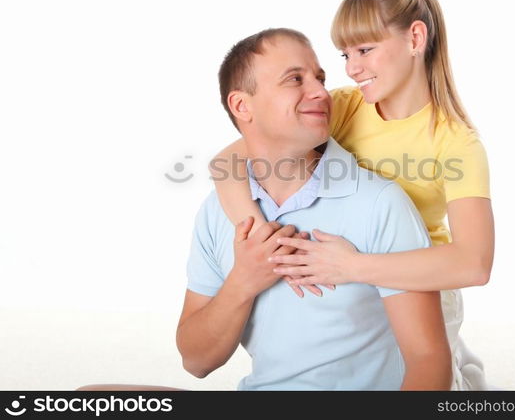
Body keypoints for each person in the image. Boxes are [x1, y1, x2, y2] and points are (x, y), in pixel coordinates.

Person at [79, 27, 452, 390]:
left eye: (319, 78)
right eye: (295, 79)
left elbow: (429, 361)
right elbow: (196, 360)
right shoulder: (220, 212)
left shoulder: (379, 204)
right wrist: (245, 277)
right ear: (242, 105)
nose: (321, 92)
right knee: (90, 402)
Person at [210, 0, 495, 390]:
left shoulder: (456, 143)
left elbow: (474, 263)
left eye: (365, 50)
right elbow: (226, 162)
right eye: (346, 54)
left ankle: (462, 376)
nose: (351, 68)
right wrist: (263, 240)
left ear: (415, 38)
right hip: (338, 279)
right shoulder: (344, 107)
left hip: (412, 288)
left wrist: (353, 267)